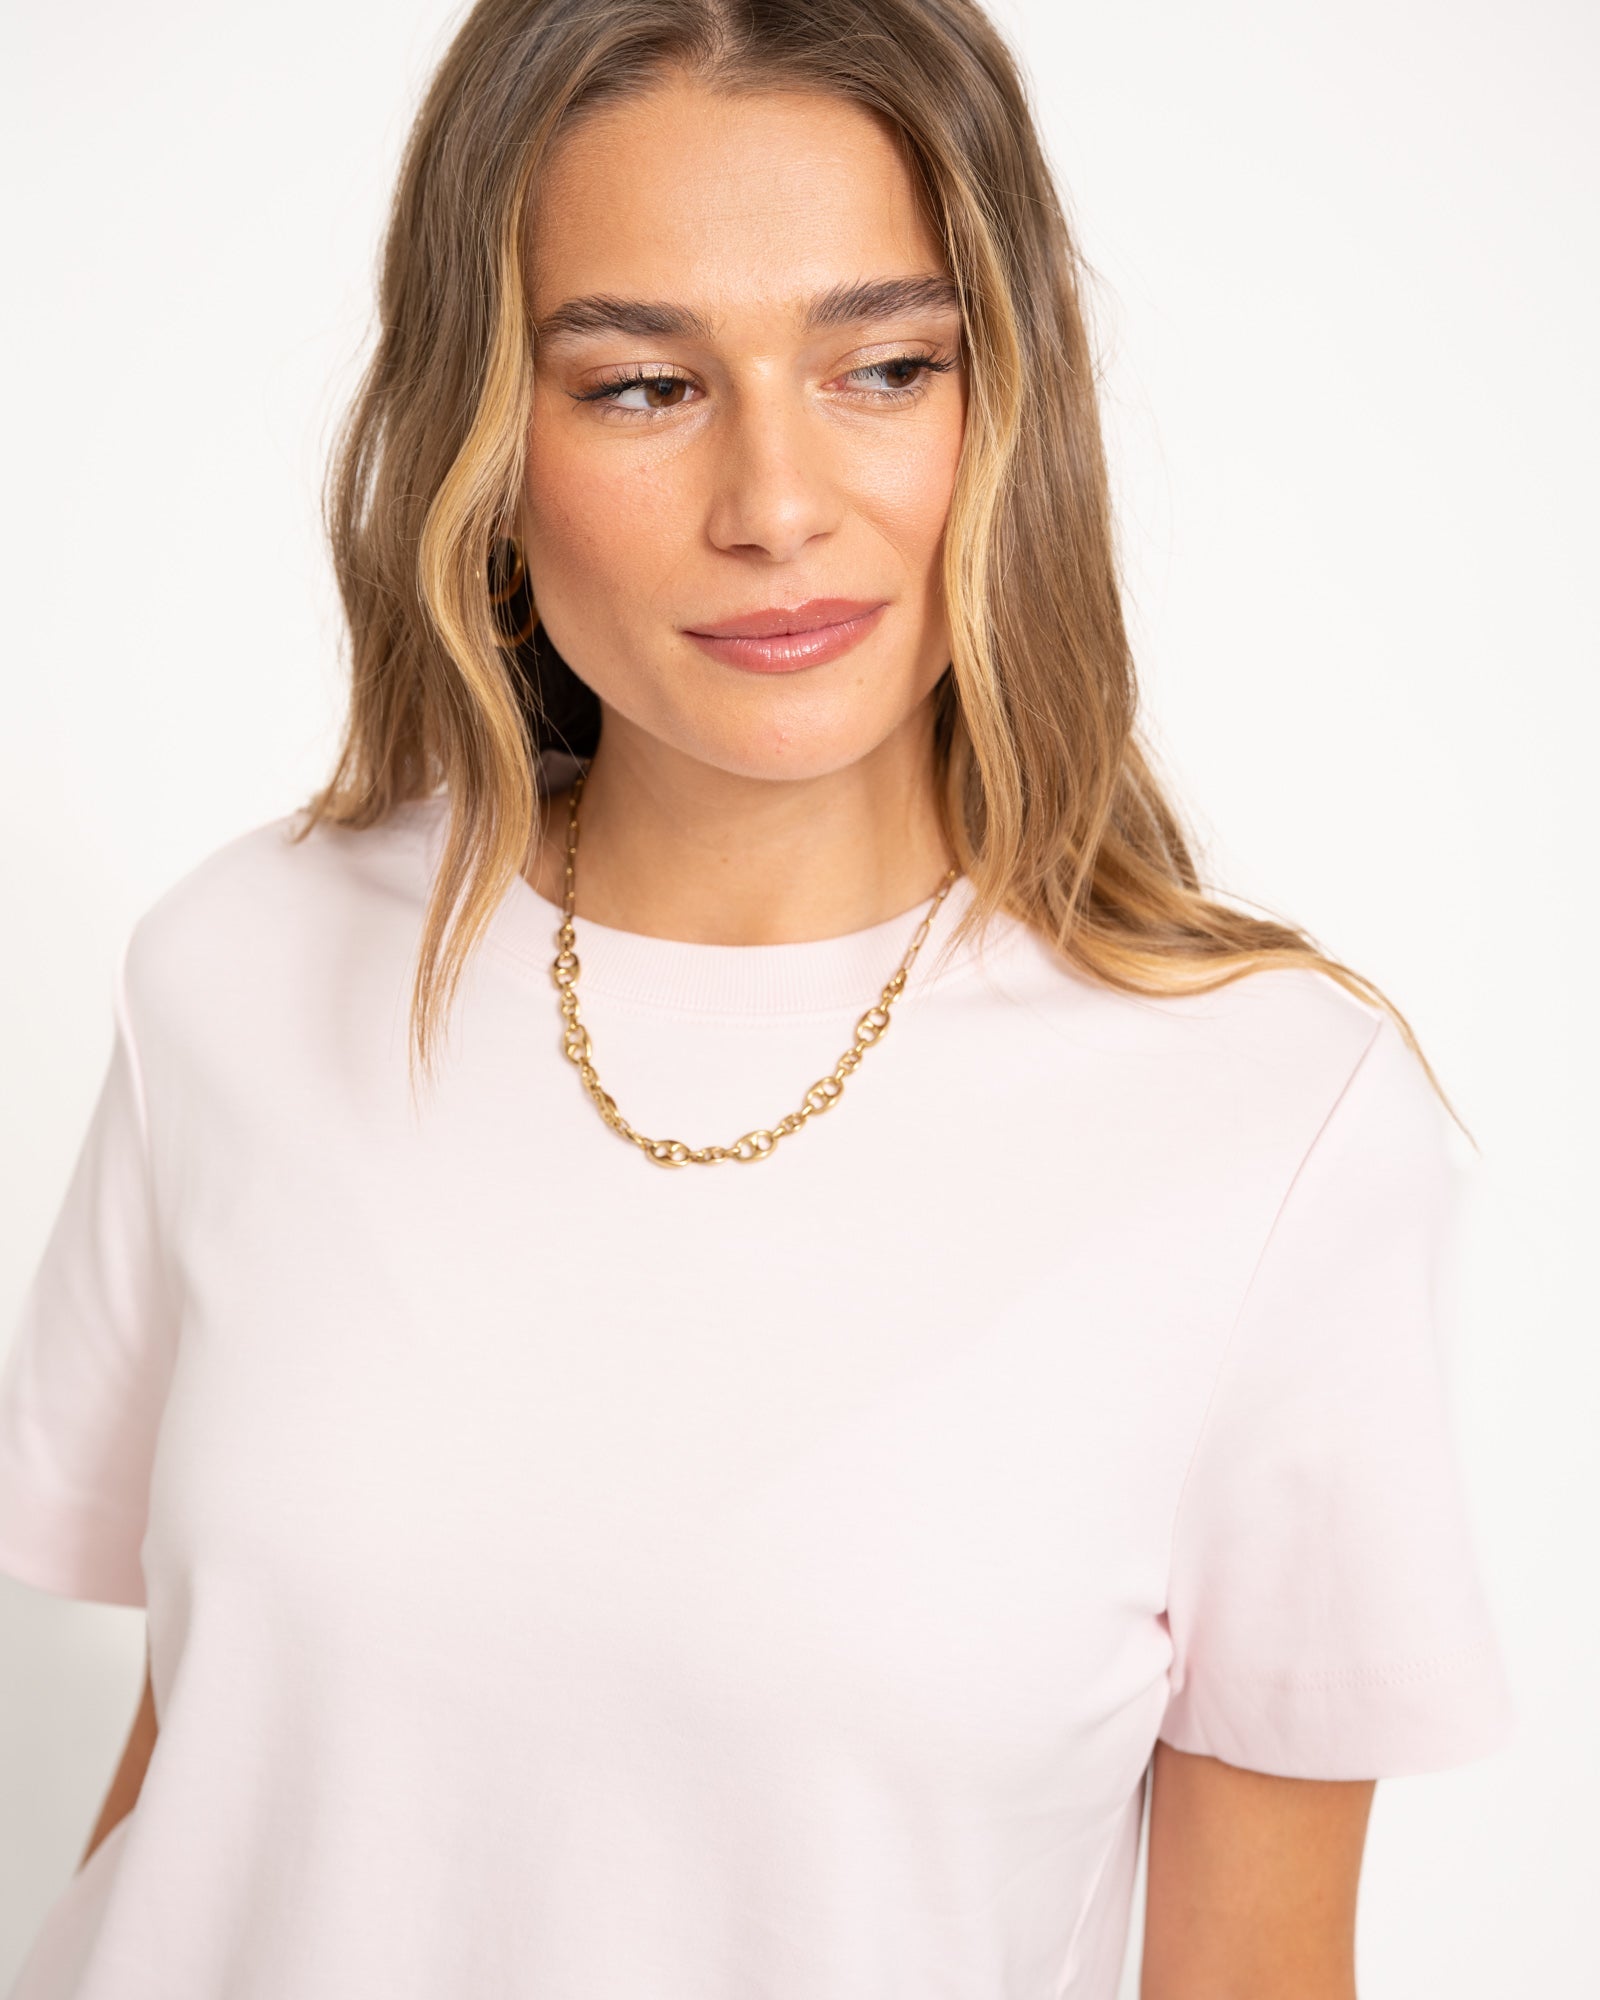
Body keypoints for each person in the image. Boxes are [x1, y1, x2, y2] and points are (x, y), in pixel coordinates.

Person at [0, 1, 1515, 1994]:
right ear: (487, 440)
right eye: (642, 386)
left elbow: (1251, 1968)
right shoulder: (240, 969)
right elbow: (210, 1780)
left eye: (883, 365)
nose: (775, 503)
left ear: (1004, 402)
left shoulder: (1270, 1121)